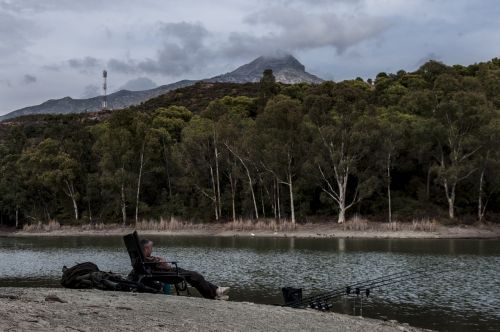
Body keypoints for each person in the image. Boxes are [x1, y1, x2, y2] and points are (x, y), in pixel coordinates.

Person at [140, 238, 230, 300]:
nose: (152, 250)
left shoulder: (144, 258)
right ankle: (214, 293)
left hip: (167, 272)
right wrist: (163, 262)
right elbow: (165, 266)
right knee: (195, 276)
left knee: (194, 276)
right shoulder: (147, 259)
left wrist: (159, 261)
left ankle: (216, 291)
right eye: (151, 248)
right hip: (167, 274)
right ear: (146, 248)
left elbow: (156, 264)